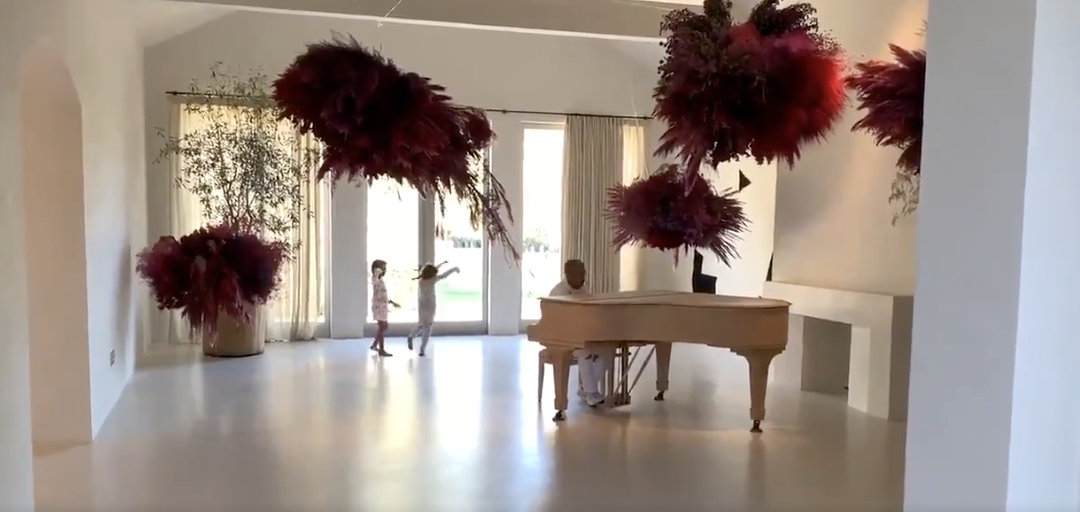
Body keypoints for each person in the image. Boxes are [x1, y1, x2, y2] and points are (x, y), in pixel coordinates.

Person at [547, 259, 607, 407]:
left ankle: (585, 389)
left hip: (581, 335)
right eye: (579, 275)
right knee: (584, 351)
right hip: (561, 339)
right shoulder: (558, 292)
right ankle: (591, 393)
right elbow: (555, 322)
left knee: (605, 352)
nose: (583, 278)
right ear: (568, 274)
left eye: (584, 274)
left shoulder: (583, 289)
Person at [407, 260, 460, 357]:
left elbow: (430, 270)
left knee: (421, 325)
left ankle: (412, 336)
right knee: (428, 327)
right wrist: (454, 269)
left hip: (422, 303)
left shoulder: (421, 280)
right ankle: (422, 349)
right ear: (432, 274)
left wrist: (442, 264)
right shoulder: (433, 280)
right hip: (430, 304)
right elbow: (444, 275)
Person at [369, 259, 401, 357]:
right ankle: (381, 349)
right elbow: (374, 279)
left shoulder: (381, 280)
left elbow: (383, 294)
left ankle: (374, 345)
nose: (384, 270)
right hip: (378, 307)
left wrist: (392, 302)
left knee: (383, 327)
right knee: (383, 327)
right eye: (382, 267)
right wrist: (377, 270)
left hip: (382, 306)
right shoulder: (375, 279)